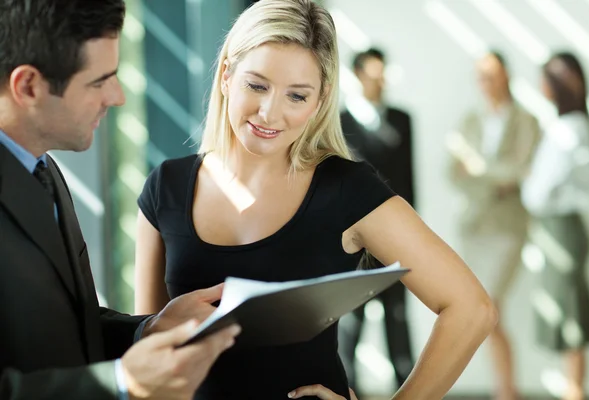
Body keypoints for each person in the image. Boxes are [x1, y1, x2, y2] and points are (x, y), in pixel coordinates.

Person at [135, 1, 497, 399]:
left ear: (320, 100)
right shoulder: (166, 186)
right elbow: (146, 347)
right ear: (226, 76)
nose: (270, 112)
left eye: (296, 96)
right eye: (256, 85)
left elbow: (471, 310)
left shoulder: (346, 188)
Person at [0, 1, 241, 399]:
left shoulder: (44, 169)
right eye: (100, 81)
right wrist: (120, 384)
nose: (118, 97)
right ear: (28, 86)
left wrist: (147, 328)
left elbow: (66, 325)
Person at [447, 51, 540, 400]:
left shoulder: (525, 120)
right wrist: (494, 176)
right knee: (480, 310)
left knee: (491, 307)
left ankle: (506, 391)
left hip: (507, 227)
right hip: (474, 227)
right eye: (481, 76)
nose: (486, 83)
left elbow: (521, 171)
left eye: (492, 75)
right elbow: (452, 171)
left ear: (507, 76)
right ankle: (505, 390)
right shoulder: (471, 119)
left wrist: (478, 169)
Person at [521, 52, 589, 400]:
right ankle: (574, 390)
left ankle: (574, 392)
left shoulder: (566, 130)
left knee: (570, 316)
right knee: (571, 312)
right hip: (569, 228)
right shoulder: (584, 125)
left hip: (561, 228)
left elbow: (536, 194)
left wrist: (526, 181)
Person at [338, 47, 415, 392]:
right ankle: (346, 391)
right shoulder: (339, 122)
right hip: (353, 242)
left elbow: (410, 182)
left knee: (398, 324)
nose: (380, 81)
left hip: (396, 239)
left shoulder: (401, 119)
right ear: (358, 76)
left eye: (383, 73)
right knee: (349, 326)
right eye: (373, 74)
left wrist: (413, 237)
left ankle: (411, 391)